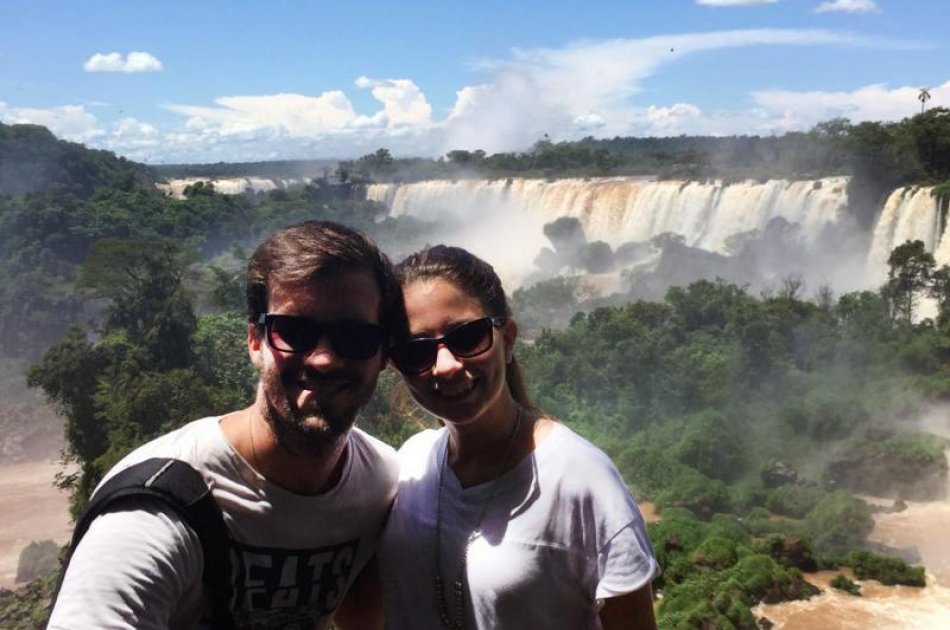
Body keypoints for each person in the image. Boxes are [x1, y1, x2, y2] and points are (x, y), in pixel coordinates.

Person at [48, 220, 401, 629]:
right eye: (295, 331)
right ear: (256, 341)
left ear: (383, 354)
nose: (323, 359)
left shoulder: (382, 483)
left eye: (354, 337)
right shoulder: (152, 512)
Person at [378, 245, 659, 629]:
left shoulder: (581, 480)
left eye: (467, 337)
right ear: (396, 365)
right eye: (416, 351)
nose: (446, 366)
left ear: (507, 339)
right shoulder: (410, 467)